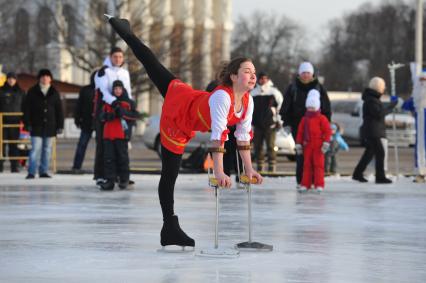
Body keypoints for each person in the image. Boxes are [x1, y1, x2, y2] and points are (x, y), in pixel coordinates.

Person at [107, 16, 263, 248]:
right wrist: (218, 172)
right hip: (178, 118)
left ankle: (169, 228)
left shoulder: (248, 101)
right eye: (247, 71)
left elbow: (242, 137)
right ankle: (169, 226)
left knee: (154, 66)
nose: (253, 75)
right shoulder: (222, 96)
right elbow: (218, 136)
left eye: (254, 72)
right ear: (233, 76)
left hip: (187, 97)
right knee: (170, 174)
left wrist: (249, 169)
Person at [280, 62, 331, 187]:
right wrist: (286, 123)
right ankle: (302, 181)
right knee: (301, 155)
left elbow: (326, 107)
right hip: (298, 126)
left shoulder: (319, 87)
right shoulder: (293, 87)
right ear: (299, 73)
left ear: (312, 74)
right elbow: (285, 107)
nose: (306, 75)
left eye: (308, 72)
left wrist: (326, 124)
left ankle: (315, 181)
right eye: (304, 72)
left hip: (316, 128)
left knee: (316, 156)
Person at [93, 47, 132, 185]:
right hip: (107, 110)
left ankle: (123, 175)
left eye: (120, 57)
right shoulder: (104, 72)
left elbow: (128, 91)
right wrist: (115, 103)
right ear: (110, 57)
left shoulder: (125, 73)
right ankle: (102, 175)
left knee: (121, 147)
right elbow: (103, 91)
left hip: (122, 112)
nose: (118, 59)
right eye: (115, 57)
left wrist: (129, 107)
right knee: (105, 146)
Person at [352, 77, 397, 184]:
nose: (384, 89)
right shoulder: (371, 100)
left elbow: (378, 112)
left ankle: (357, 173)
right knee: (380, 153)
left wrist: (389, 106)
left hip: (372, 130)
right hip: (373, 131)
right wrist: (391, 107)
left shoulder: (372, 99)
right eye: (383, 87)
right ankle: (380, 177)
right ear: (379, 87)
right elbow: (378, 114)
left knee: (369, 153)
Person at [23, 69, 64, 179]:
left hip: (50, 126)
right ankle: (31, 172)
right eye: (43, 76)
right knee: (35, 149)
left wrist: (60, 126)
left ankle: (43, 171)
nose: (45, 79)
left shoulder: (54, 92)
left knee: (47, 150)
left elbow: (59, 110)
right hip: (36, 126)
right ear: (39, 78)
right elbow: (26, 109)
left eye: (47, 76)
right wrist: (27, 123)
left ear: (50, 79)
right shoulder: (32, 91)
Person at [99, 80, 139, 190]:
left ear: (123, 89)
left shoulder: (129, 102)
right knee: (108, 159)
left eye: (119, 88)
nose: (117, 91)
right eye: (115, 89)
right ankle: (110, 181)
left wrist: (123, 113)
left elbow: (135, 116)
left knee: (123, 158)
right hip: (108, 135)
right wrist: (108, 116)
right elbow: (101, 117)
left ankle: (124, 179)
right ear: (112, 90)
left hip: (121, 135)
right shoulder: (107, 101)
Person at [295, 90, 331, 192]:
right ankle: (305, 184)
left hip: (319, 147)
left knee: (318, 166)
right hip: (307, 146)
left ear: (317, 107)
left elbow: (327, 131)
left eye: (313, 107)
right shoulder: (304, 119)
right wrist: (298, 144)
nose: (311, 109)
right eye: (309, 107)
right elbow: (300, 133)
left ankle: (319, 184)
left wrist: (326, 142)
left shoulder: (322, 118)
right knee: (307, 166)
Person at [250, 72, 283, 172]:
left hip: (270, 125)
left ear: (268, 79)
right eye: (261, 78)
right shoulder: (253, 93)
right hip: (257, 125)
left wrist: (279, 121)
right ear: (258, 80)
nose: (263, 80)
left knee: (270, 146)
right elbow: (248, 109)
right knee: (257, 147)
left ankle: (271, 168)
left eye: (265, 78)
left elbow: (281, 107)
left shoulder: (274, 92)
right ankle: (260, 167)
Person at [403, 70, 426, 183]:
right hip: (421, 132)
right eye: (421, 80)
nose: (423, 83)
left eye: (424, 80)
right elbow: (406, 105)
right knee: (420, 149)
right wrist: (396, 101)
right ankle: (421, 173)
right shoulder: (416, 97)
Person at [71, 71, 96, 174]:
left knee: (102, 147)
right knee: (82, 144)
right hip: (86, 122)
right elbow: (79, 106)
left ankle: (100, 167)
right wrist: (77, 119)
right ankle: (76, 166)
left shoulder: (104, 90)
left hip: (100, 122)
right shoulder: (85, 90)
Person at [0, 72, 25, 172]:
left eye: (13, 78)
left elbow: (25, 107)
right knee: (1, 145)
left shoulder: (20, 92)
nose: (11, 80)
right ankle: (0, 166)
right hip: (2, 122)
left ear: (16, 80)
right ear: (6, 79)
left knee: (14, 145)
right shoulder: (1, 91)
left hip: (15, 122)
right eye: (9, 78)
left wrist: (25, 121)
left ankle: (14, 166)